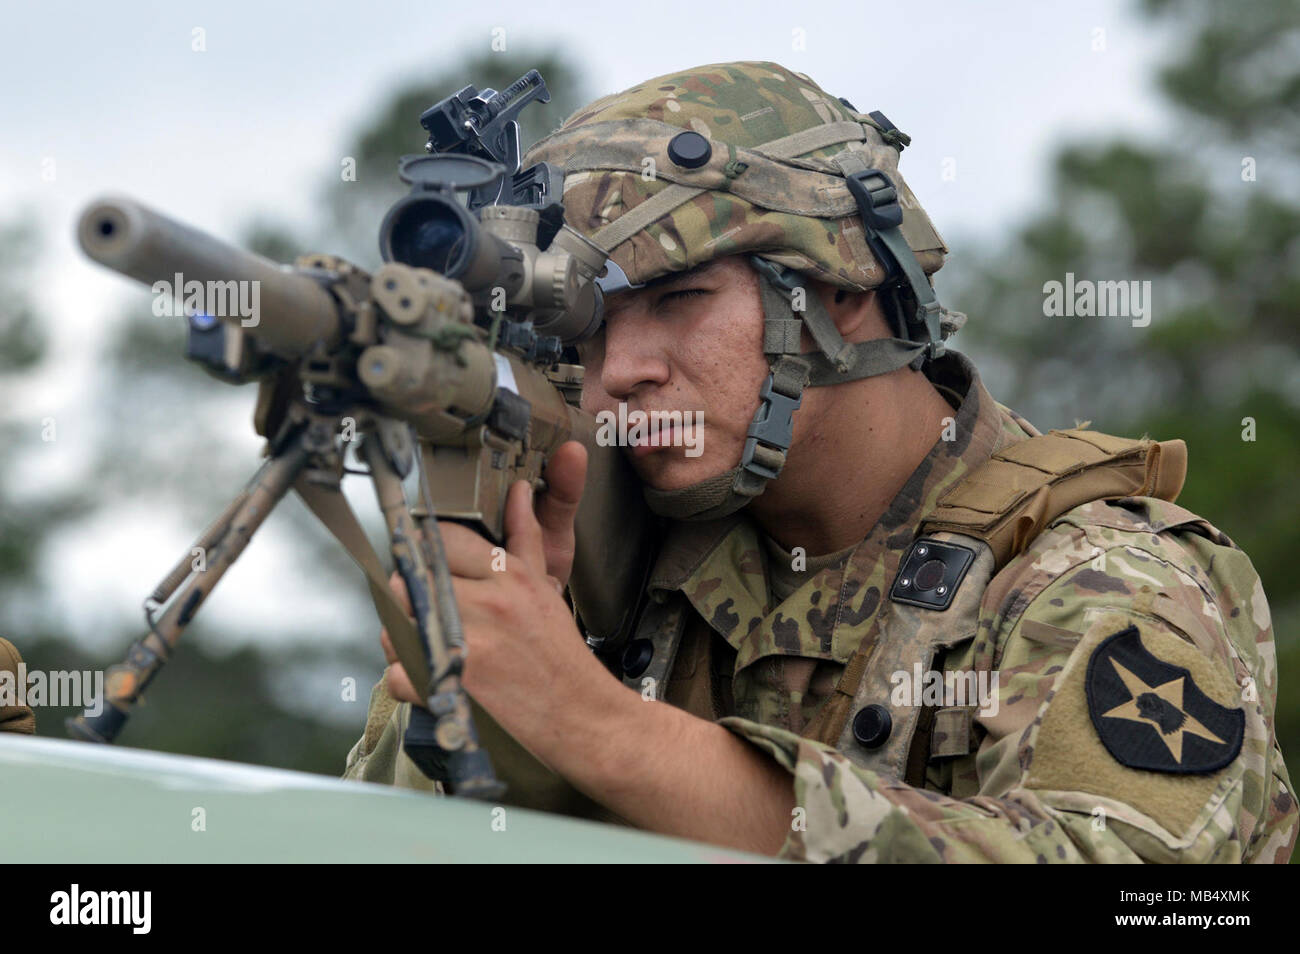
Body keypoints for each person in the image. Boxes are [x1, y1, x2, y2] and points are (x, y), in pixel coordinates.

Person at [344, 60, 1296, 863]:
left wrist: (598, 726)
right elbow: (372, 846)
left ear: (841, 293)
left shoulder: (1092, 581)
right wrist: (496, 709)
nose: (619, 376)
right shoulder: (617, 560)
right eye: (591, 329)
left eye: (677, 297)